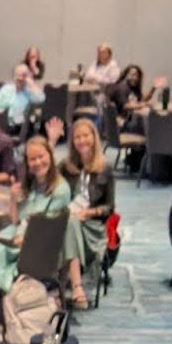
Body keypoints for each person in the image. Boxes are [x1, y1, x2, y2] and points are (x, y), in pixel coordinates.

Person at [0, 134, 71, 344]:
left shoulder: (60, 189)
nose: (37, 163)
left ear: (50, 156)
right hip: (19, 239)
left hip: (40, 249)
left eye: (41, 157)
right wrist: (13, 199)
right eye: (32, 159)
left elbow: (50, 230)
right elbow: (16, 221)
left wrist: (25, 239)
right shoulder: (30, 185)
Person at [56, 116, 114, 309]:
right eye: (77, 137)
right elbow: (46, 181)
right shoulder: (66, 167)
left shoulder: (105, 169)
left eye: (85, 136)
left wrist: (88, 213)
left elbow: (110, 207)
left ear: (94, 137)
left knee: (70, 223)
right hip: (68, 220)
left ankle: (71, 284)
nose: (82, 140)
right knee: (68, 223)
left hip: (92, 227)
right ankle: (75, 284)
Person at [0, 63, 45, 130]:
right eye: (18, 75)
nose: (20, 78)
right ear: (13, 76)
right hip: (2, 124)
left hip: (19, 127)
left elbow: (41, 99)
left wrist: (31, 83)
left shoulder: (29, 92)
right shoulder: (5, 89)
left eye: (23, 76)